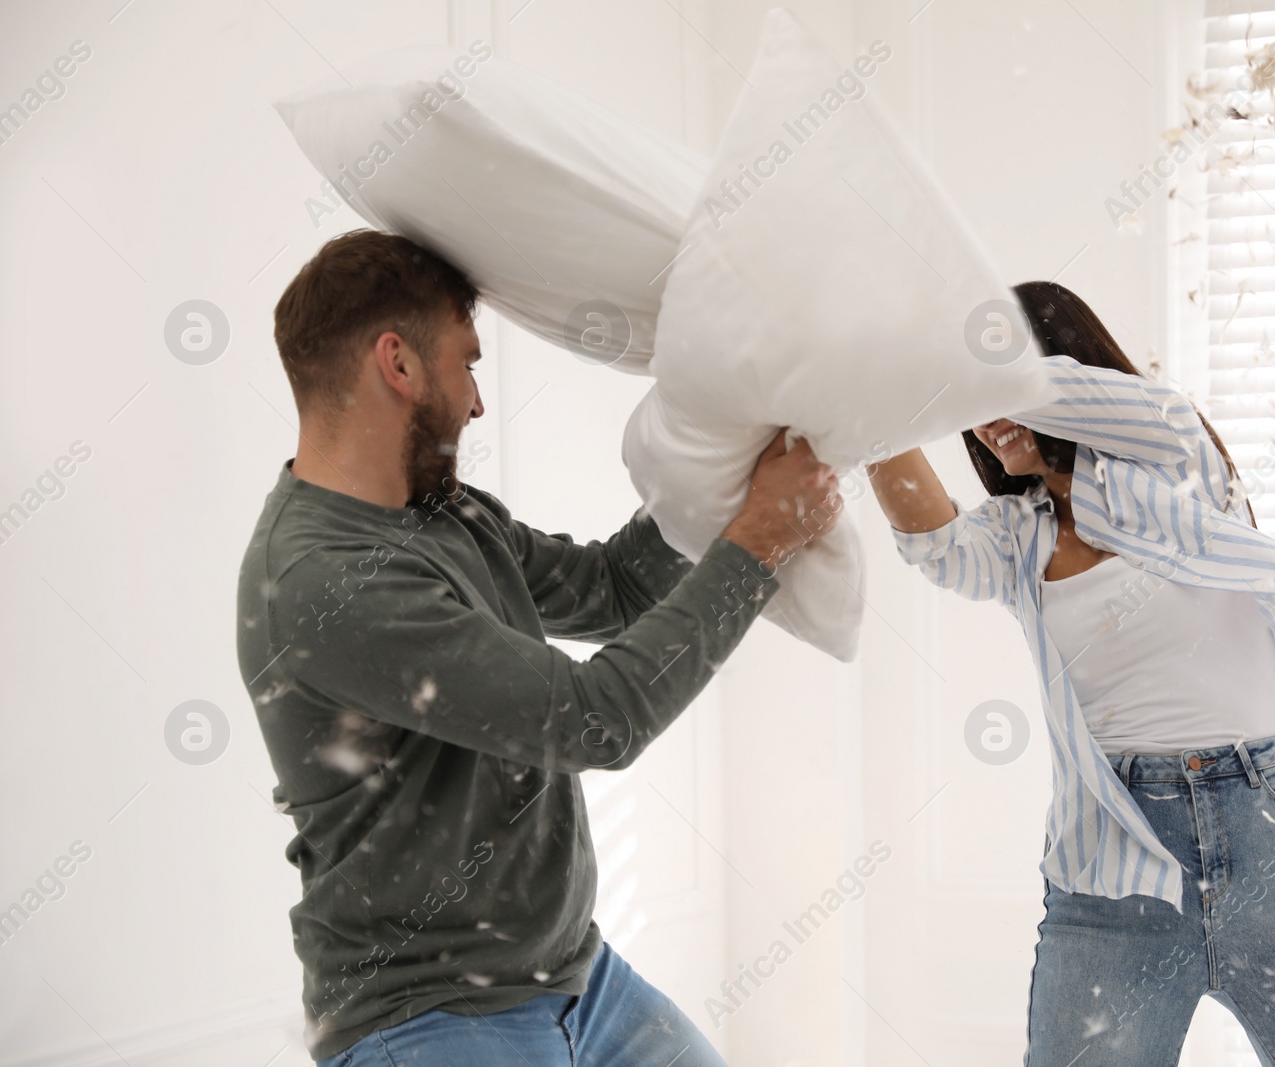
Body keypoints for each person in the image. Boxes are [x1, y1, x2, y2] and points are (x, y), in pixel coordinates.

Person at [235, 228, 841, 1066]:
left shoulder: (448, 514)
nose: (477, 401)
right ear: (398, 365)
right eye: (467, 361)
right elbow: (595, 721)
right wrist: (760, 541)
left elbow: (613, 588)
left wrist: (718, 462)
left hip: (577, 981)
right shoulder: (323, 582)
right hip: (426, 1017)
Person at [868, 281, 1275, 1066]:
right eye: (969, 396)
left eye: (999, 380)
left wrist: (979, 360)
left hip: (1270, 840)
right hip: (1113, 872)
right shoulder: (1017, 536)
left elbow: (1153, 413)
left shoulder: (1176, 467)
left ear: (1063, 367)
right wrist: (853, 396)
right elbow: (933, 545)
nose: (984, 412)